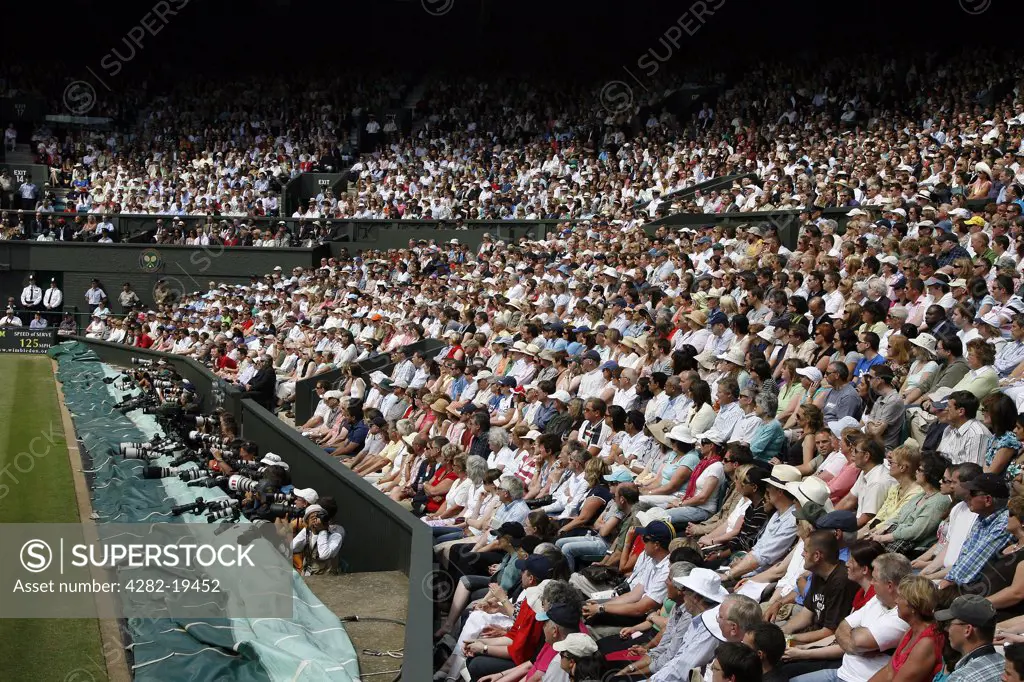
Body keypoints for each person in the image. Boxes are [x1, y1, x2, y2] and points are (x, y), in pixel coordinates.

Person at [789, 552, 912, 682]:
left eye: (875, 579)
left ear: (889, 586)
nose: (871, 582)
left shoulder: (902, 616)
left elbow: (858, 641)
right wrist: (856, 646)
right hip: (842, 672)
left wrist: (854, 640)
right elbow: (842, 627)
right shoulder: (877, 599)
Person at [867, 575, 944, 682]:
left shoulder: (927, 643)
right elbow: (889, 671)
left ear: (913, 606)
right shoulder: (912, 629)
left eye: (900, 597)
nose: (896, 601)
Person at [935, 595, 1003, 682]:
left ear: (967, 630)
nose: (946, 629)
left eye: (949, 624)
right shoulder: (1005, 664)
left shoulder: (961, 678)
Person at [291, 498, 344, 575]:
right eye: (312, 518)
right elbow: (292, 547)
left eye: (319, 516)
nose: (316, 521)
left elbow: (324, 554)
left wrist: (322, 530)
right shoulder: (308, 532)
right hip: (308, 575)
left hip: (327, 579)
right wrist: (309, 529)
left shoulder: (335, 536)